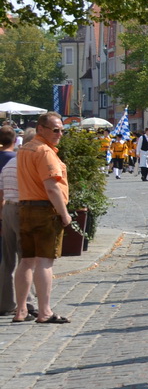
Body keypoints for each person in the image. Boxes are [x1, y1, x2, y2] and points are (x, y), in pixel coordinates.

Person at [14, 113, 74, 325]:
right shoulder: (45, 152)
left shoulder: (24, 149)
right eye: (55, 130)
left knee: (26, 260)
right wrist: (64, 214)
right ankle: (45, 311)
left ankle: (21, 309)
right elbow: (51, 186)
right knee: (45, 261)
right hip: (44, 210)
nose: (59, 134)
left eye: (61, 130)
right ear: (40, 129)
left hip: (26, 207)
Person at [0, 126, 25, 321]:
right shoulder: (13, 161)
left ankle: (6, 302)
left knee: (6, 260)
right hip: (17, 207)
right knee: (25, 258)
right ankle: (26, 304)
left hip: (5, 208)